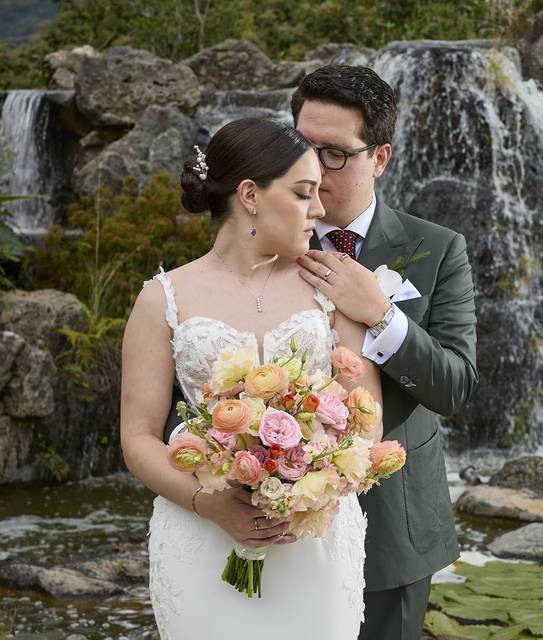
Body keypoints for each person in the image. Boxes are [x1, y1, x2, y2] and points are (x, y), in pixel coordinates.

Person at [120, 118, 381, 638]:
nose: (320, 211)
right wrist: (210, 504)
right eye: (304, 193)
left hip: (313, 536)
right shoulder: (162, 299)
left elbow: (366, 417)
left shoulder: (333, 286)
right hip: (203, 532)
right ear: (249, 195)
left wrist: (313, 483)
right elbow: (137, 438)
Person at [292, 65, 479, 640]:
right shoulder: (262, 241)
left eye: (335, 154)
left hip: (391, 520)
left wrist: (382, 314)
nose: (314, 169)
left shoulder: (439, 249)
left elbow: (454, 386)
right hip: (272, 512)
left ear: (381, 157)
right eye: (301, 145)